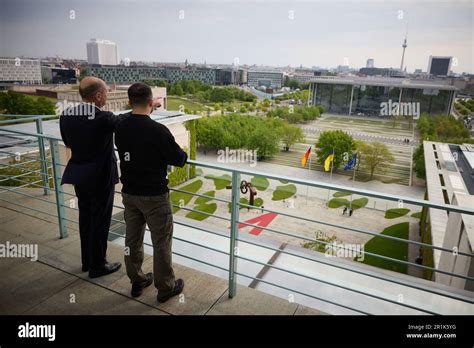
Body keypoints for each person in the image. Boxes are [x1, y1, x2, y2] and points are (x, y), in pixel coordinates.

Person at [115, 83, 187, 302]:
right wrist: (150, 108)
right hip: (155, 196)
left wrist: (145, 106)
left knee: (132, 240)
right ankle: (165, 287)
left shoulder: (121, 126)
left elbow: (132, 116)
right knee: (161, 242)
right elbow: (179, 159)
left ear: (129, 102)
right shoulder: (158, 131)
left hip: (130, 194)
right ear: (150, 102)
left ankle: (137, 280)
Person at [60, 76, 126, 278]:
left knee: (86, 219)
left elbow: (68, 143)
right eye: (106, 92)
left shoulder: (66, 115)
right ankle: (98, 265)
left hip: (80, 175)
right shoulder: (104, 118)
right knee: (100, 221)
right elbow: (127, 121)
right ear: (98, 96)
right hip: (101, 178)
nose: (107, 95)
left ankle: (87, 261)